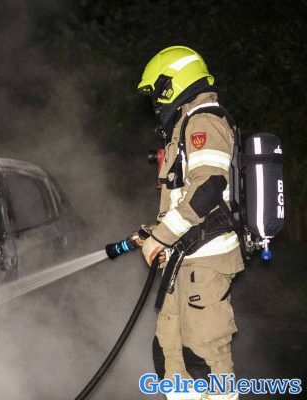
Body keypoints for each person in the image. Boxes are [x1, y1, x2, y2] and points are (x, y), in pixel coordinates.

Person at [136, 46, 244, 400]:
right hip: (185, 260)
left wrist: (163, 237)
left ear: (172, 85)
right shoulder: (185, 125)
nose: (156, 104)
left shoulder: (203, 120)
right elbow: (183, 197)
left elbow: (208, 186)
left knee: (205, 361)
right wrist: (156, 234)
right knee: (169, 356)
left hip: (206, 262)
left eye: (157, 94)